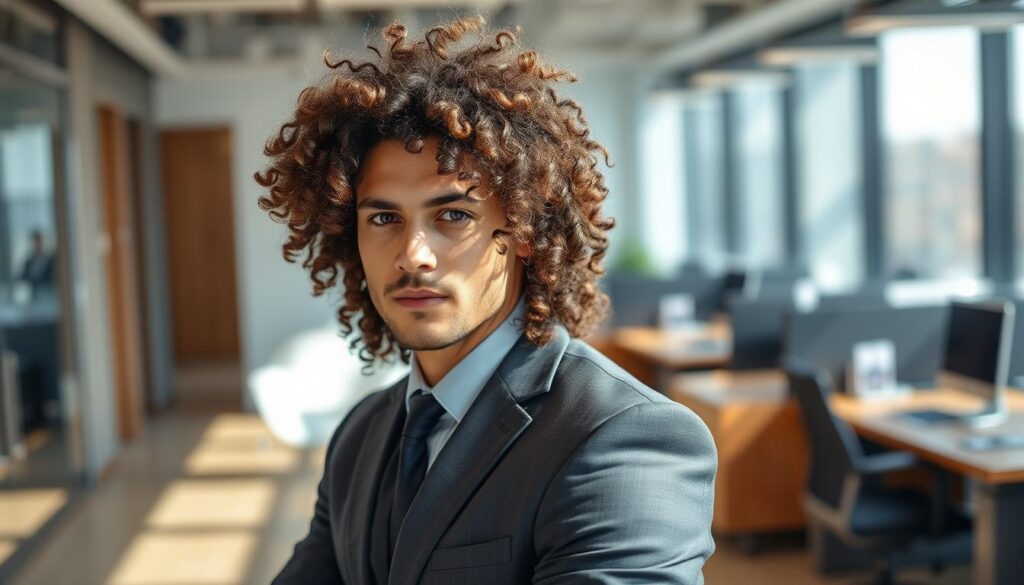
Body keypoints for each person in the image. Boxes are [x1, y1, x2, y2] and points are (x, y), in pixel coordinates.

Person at [256, 15, 716, 585]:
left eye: (453, 215)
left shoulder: (623, 437)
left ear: (523, 233)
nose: (413, 254)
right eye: (383, 218)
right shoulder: (359, 437)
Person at [18, 229, 54, 298]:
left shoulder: (51, 260)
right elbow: (22, 277)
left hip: (48, 294)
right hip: (34, 295)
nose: (37, 244)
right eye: (35, 242)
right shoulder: (29, 261)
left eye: (39, 241)